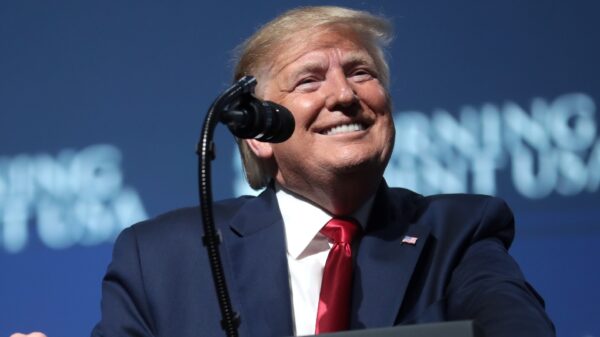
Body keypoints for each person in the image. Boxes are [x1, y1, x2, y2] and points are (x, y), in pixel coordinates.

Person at [13, 5, 555, 337]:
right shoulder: (160, 259)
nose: (344, 94)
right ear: (258, 133)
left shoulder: (457, 234)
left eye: (361, 72)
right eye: (309, 80)